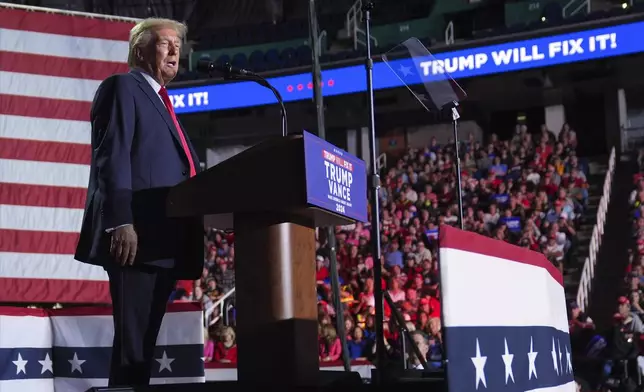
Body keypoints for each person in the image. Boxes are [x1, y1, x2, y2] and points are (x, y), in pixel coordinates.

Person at [74, 18, 204, 387]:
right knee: (133, 348)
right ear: (140, 50)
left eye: (178, 44)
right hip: (137, 238)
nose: (176, 50)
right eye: (166, 43)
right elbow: (111, 158)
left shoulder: (163, 103)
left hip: (163, 241)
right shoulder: (123, 88)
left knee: (142, 347)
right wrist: (120, 222)